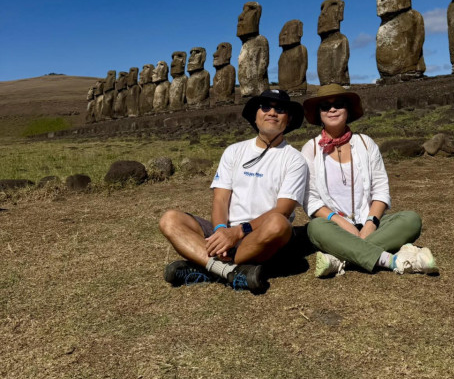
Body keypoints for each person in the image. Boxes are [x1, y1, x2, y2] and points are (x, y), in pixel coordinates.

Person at [159, 88, 308, 293]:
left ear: (288, 120)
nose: (272, 112)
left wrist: (238, 232)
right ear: (255, 116)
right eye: (265, 107)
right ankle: (228, 271)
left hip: (259, 236)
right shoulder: (234, 151)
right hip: (226, 230)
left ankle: (206, 267)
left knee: (279, 224)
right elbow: (220, 199)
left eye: (280, 109)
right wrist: (221, 230)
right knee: (170, 219)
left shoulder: (294, 159)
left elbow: (283, 209)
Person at [301, 84, 438, 278]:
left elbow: (381, 189)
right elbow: (310, 198)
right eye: (325, 106)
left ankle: (341, 258)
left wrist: (370, 223)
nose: (332, 109)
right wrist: (341, 222)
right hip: (334, 226)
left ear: (347, 110)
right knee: (315, 228)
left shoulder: (365, 143)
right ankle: (392, 260)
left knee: (411, 220)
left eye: (338, 104)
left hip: (370, 224)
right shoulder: (310, 149)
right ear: (319, 113)